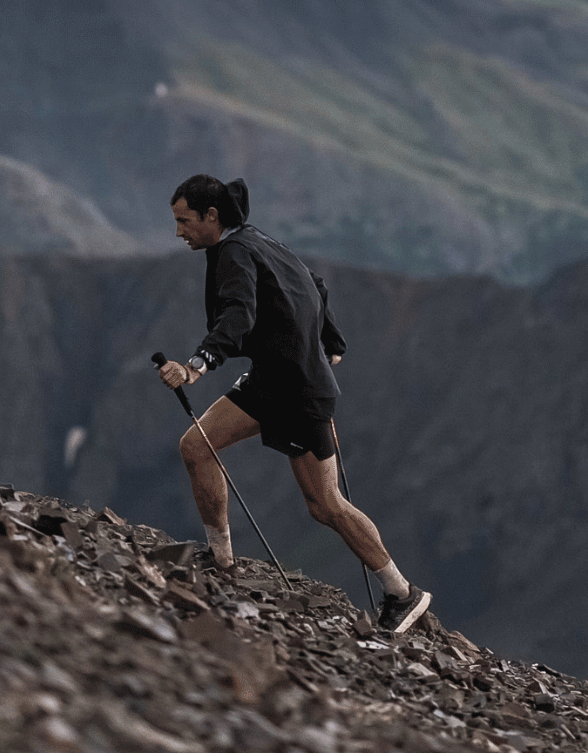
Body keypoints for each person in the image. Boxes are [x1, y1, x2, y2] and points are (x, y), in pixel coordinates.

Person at [158, 173, 433, 634]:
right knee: (196, 446)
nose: (178, 231)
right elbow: (314, 283)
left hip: (299, 393)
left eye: (184, 221)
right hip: (271, 382)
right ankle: (221, 561)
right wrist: (332, 337)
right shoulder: (252, 238)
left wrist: (196, 366)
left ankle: (403, 593)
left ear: (211, 216)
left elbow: (239, 314)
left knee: (325, 505)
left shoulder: (234, 252)